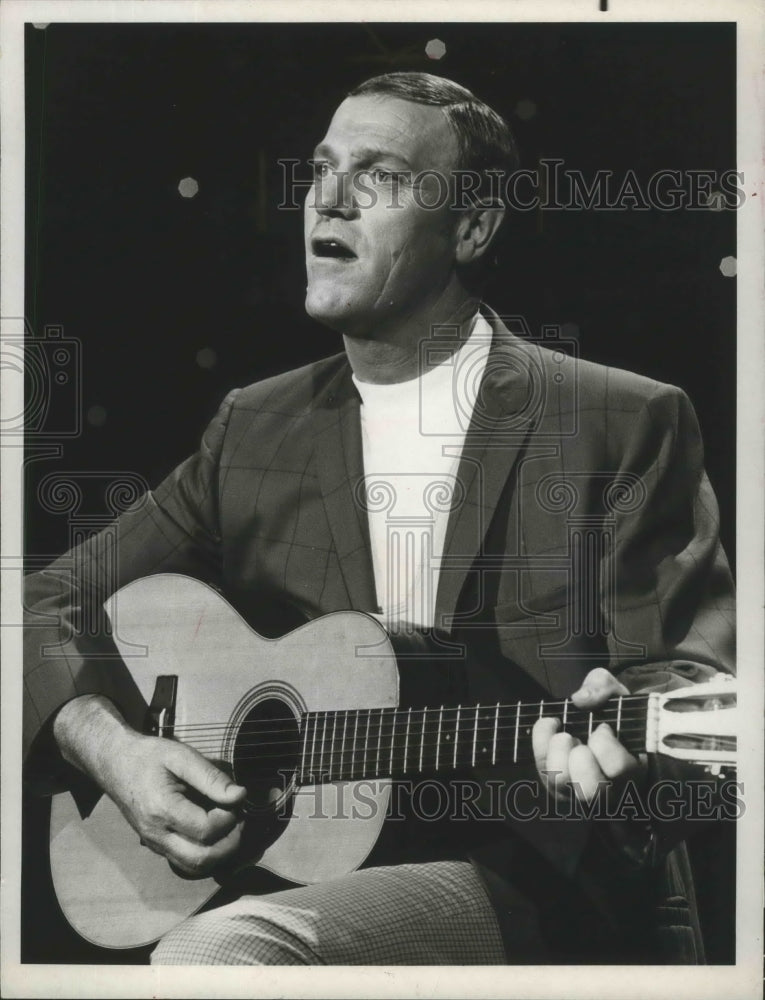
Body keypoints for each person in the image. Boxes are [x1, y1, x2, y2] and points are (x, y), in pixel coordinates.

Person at [23, 72, 735, 965]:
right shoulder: (255, 425)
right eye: (321, 169)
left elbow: (684, 688)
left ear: (472, 227)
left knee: (218, 959)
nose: (328, 196)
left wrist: (626, 760)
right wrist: (110, 749)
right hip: (301, 877)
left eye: (381, 176)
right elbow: (40, 599)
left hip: (540, 884)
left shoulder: (622, 420)